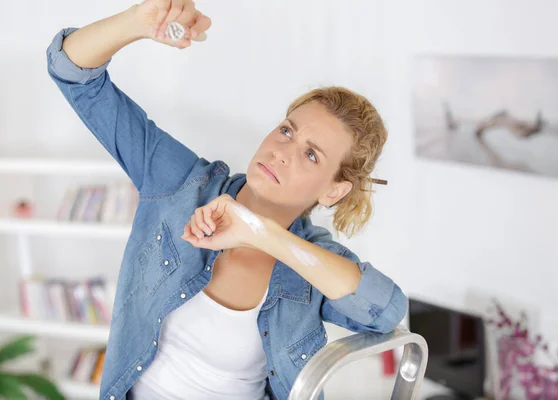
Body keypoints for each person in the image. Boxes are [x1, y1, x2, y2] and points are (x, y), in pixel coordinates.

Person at [45, 1, 407, 399]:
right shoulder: (180, 183)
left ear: (333, 191)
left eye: (311, 154)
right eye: (287, 130)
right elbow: (72, 72)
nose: (282, 151)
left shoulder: (312, 263)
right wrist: (138, 22)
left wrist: (262, 234)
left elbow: (386, 311)